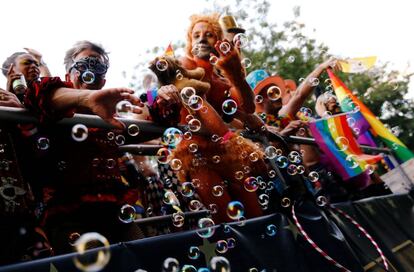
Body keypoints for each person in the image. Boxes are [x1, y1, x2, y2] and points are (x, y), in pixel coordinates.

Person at [20, 40, 157, 254]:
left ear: (103, 79)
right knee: (95, 261)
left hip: (116, 212)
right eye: (83, 65)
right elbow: (38, 95)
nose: (89, 71)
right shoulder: (54, 105)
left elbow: (152, 128)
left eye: (98, 67)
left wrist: (163, 97)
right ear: (68, 76)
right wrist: (86, 98)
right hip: (70, 217)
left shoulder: (112, 117)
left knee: (142, 256)